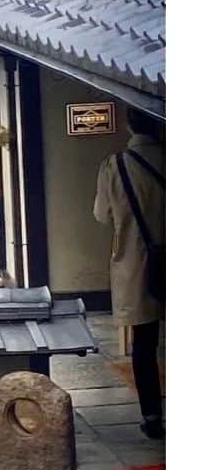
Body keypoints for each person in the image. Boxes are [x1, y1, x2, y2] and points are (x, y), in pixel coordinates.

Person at [94, 108, 166, 439]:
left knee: (145, 343)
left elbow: (101, 215)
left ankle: (152, 415)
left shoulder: (116, 166)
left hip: (137, 264)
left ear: (129, 125)